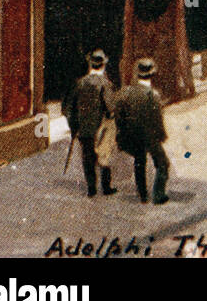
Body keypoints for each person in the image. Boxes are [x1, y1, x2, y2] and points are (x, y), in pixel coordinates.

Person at [114, 58, 170, 205]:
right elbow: (157, 120)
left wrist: (123, 132)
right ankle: (158, 195)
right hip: (150, 137)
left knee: (139, 163)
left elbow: (119, 115)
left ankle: (143, 195)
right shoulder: (153, 95)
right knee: (163, 163)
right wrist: (161, 136)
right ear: (152, 75)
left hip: (133, 135)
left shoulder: (126, 92)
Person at [62, 49, 116, 198]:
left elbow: (68, 108)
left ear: (90, 64)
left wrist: (73, 125)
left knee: (88, 158)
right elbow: (111, 108)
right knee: (103, 156)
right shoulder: (105, 84)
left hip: (84, 128)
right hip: (100, 128)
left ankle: (91, 188)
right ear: (103, 65)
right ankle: (106, 187)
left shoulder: (80, 83)